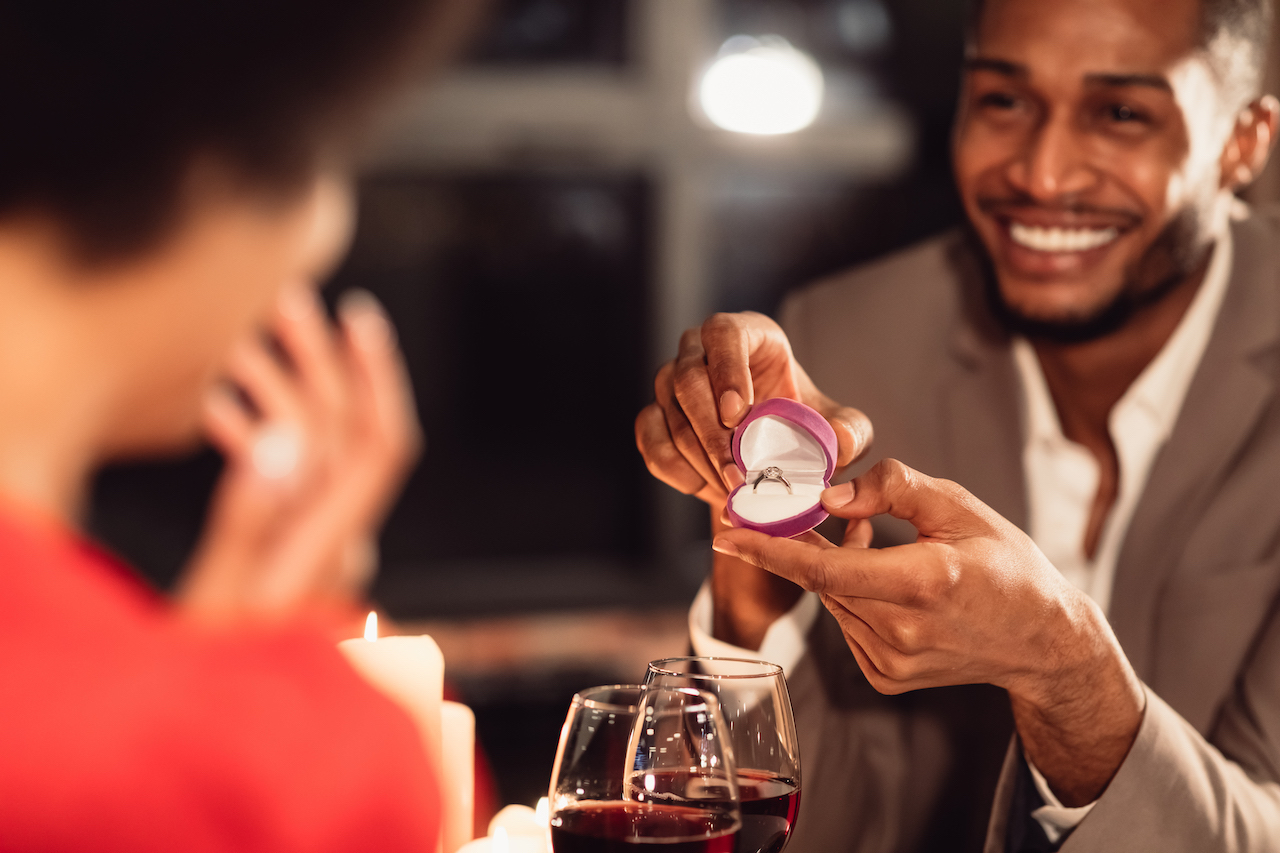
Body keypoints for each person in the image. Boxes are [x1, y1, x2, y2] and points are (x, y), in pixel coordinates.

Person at [636, 0, 1280, 850]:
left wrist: (1064, 670)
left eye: (1120, 113)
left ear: (1243, 141)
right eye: (1004, 102)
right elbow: (821, 827)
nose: (1043, 175)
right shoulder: (843, 335)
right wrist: (755, 565)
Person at [0, 1, 481, 850]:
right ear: (199, 161)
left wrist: (216, 648)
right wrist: (264, 674)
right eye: (323, 152)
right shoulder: (286, 769)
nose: (324, 234)